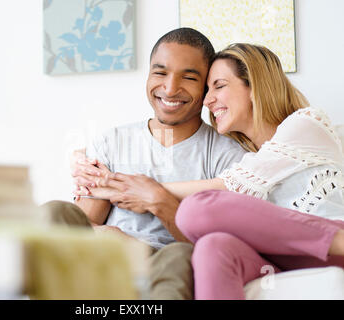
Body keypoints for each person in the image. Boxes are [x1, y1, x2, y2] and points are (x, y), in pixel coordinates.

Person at [79, 43, 344, 300]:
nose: (207, 100)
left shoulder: (306, 124)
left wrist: (149, 192)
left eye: (219, 86)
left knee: (197, 210)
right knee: (212, 248)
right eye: (207, 89)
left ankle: (339, 239)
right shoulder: (244, 154)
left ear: (255, 86)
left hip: (331, 247)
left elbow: (226, 188)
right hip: (277, 259)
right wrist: (83, 158)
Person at [42, 28, 247, 300]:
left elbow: (212, 247)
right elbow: (85, 220)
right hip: (105, 256)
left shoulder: (226, 156)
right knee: (52, 213)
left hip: (167, 263)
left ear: (207, 86)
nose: (170, 88)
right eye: (160, 73)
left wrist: (158, 200)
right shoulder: (112, 140)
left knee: (181, 254)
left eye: (188, 77)